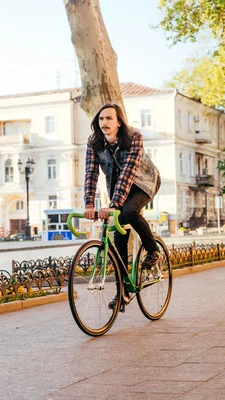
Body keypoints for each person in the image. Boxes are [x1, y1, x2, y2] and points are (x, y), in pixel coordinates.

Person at [83, 102, 162, 304]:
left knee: (128, 212)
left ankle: (153, 250)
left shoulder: (134, 137)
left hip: (143, 183)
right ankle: (123, 292)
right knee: (118, 238)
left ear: (119, 122)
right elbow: (91, 174)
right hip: (119, 189)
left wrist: (114, 205)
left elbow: (128, 172)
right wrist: (89, 204)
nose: (104, 122)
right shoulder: (94, 143)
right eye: (101, 118)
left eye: (109, 118)